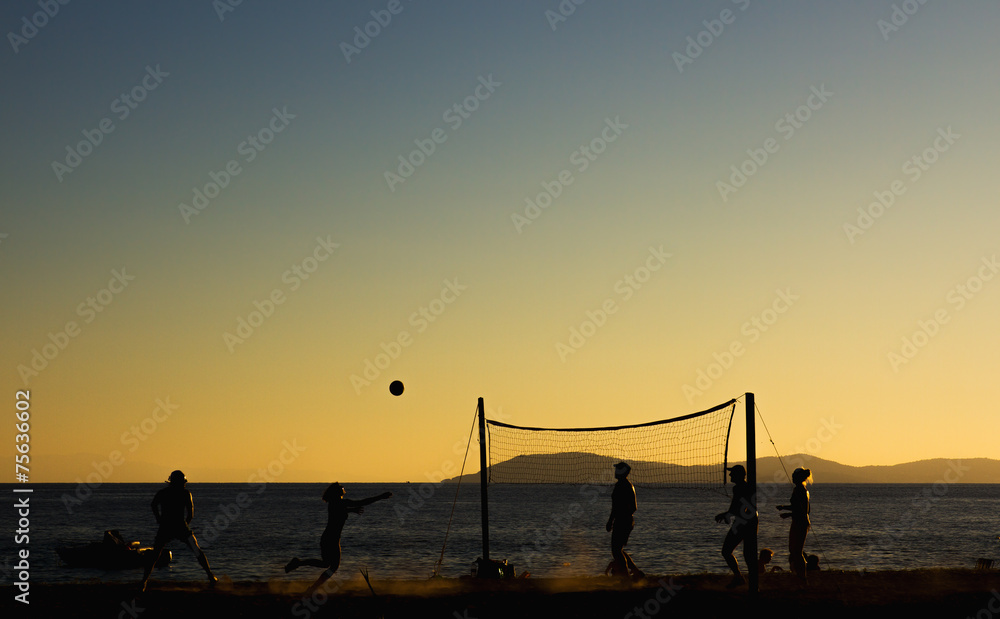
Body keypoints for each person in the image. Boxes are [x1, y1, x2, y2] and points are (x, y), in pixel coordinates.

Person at [285, 483, 392, 596]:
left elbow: (340, 511)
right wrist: (380, 497)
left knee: (326, 564)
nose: (343, 488)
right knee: (332, 566)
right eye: (341, 487)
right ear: (337, 491)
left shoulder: (335, 503)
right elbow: (362, 502)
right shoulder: (340, 502)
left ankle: (299, 564)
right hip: (331, 538)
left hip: (330, 538)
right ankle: (311, 586)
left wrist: (351, 510)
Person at [140, 470, 218, 592]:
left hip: (166, 526)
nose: (184, 484)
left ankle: (143, 582)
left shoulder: (163, 493)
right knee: (196, 550)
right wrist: (185, 525)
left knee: (155, 554)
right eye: (183, 482)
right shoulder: (185, 494)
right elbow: (190, 514)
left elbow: (153, 505)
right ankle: (210, 576)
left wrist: (159, 519)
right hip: (179, 526)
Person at [714, 464, 758, 588]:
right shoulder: (743, 487)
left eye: (732, 473)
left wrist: (725, 514)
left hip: (744, 522)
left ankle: (741, 578)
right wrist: (727, 514)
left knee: (727, 551)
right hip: (749, 520)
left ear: (739, 475)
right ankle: (749, 581)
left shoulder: (739, 488)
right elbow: (736, 507)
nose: (730, 475)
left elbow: (737, 508)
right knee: (747, 554)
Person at [606, 461, 644, 580]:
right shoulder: (624, 485)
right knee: (618, 550)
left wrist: (613, 520)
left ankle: (626, 577)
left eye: (617, 469)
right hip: (624, 520)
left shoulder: (624, 486)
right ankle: (635, 573)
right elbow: (625, 507)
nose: (615, 471)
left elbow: (622, 507)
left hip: (623, 521)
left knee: (616, 551)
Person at [777, 467, 812, 581]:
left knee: (797, 551)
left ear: (798, 478)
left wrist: (789, 514)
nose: (792, 478)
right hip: (798, 522)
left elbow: (804, 510)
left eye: (793, 476)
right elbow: (799, 508)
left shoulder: (800, 490)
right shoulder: (801, 489)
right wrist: (784, 508)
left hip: (800, 523)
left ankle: (802, 576)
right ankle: (799, 574)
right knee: (793, 550)